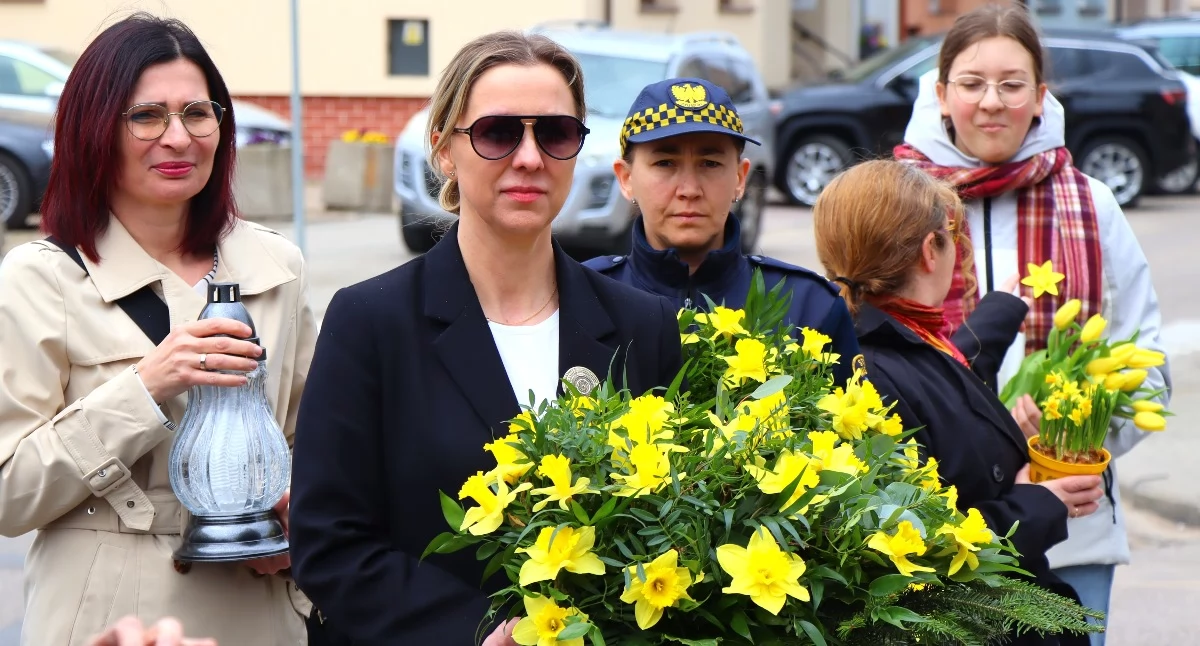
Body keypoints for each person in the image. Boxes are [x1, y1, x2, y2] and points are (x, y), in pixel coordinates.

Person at [288, 31, 684, 645]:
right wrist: (479, 633)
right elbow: (328, 543)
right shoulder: (370, 322)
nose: (529, 157)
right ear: (444, 149)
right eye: (498, 132)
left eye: (554, 134)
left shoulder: (643, 325)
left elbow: (670, 527)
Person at [0, 13, 316, 645]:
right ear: (94, 131)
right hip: (106, 617)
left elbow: (313, 450)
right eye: (146, 116)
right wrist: (143, 388)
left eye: (197, 112)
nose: (178, 138)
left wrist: (299, 532)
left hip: (257, 611)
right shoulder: (41, 279)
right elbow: (10, 492)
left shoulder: (276, 267)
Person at [893, 6, 1171, 642]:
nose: (992, 103)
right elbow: (864, 355)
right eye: (971, 83)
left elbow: (1147, 360)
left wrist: (1078, 438)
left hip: (1073, 529)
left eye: (1013, 84)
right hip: (932, 533)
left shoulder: (1092, 204)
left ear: (1040, 96)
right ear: (940, 94)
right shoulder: (895, 203)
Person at [814, 159, 1101, 646]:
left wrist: (1001, 313)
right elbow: (925, 547)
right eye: (953, 240)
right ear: (932, 250)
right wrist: (1039, 504)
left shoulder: (863, 342)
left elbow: (941, 376)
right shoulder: (877, 374)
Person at [583, 78, 860, 385]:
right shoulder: (583, 299)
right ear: (626, 179)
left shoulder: (809, 306)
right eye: (665, 163)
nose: (689, 189)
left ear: (740, 179)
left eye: (710, 163)